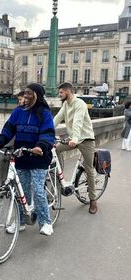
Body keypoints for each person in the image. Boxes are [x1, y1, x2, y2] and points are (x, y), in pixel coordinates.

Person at [0, 83, 55, 236]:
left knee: (38, 189)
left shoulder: (44, 113)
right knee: (21, 192)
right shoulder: (18, 112)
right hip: (21, 156)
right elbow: (9, 129)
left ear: (37, 96)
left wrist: (40, 146)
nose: (26, 96)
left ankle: (46, 222)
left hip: (38, 157)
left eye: (29, 94)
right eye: (25, 93)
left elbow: (48, 133)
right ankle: (20, 221)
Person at [53, 82, 97, 214]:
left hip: (86, 139)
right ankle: (60, 178)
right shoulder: (66, 104)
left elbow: (77, 121)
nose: (59, 95)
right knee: (56, 149)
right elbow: (57, 119)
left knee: (89, 169)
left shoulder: (80, 104)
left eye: (61, 92)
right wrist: (45, 131)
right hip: (74, 139)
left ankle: (93, 200)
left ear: (68, 92)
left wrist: (75, 138)